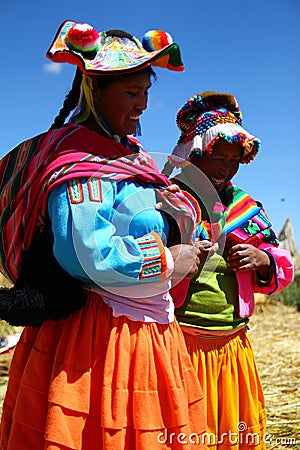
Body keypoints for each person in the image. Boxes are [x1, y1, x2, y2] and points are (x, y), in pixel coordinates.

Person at [0, 21, 207, 449]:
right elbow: (88, 253)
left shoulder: (127, 156)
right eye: (131, 93)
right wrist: (172, 259)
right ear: (94, 91)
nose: (143, 105)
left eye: (146, 92)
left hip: (144, 327)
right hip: (96, 340)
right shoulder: (80, 161)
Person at [163, 91, 294, 449]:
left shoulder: (245, 207)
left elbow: (279, 259)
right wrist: (178, 260)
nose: (225, 169)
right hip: (178, 346)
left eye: (234, 161)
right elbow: (139, 266)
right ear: (191, 156)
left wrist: (263, 260)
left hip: (232, 348)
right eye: (216, 158)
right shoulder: (166, 203)